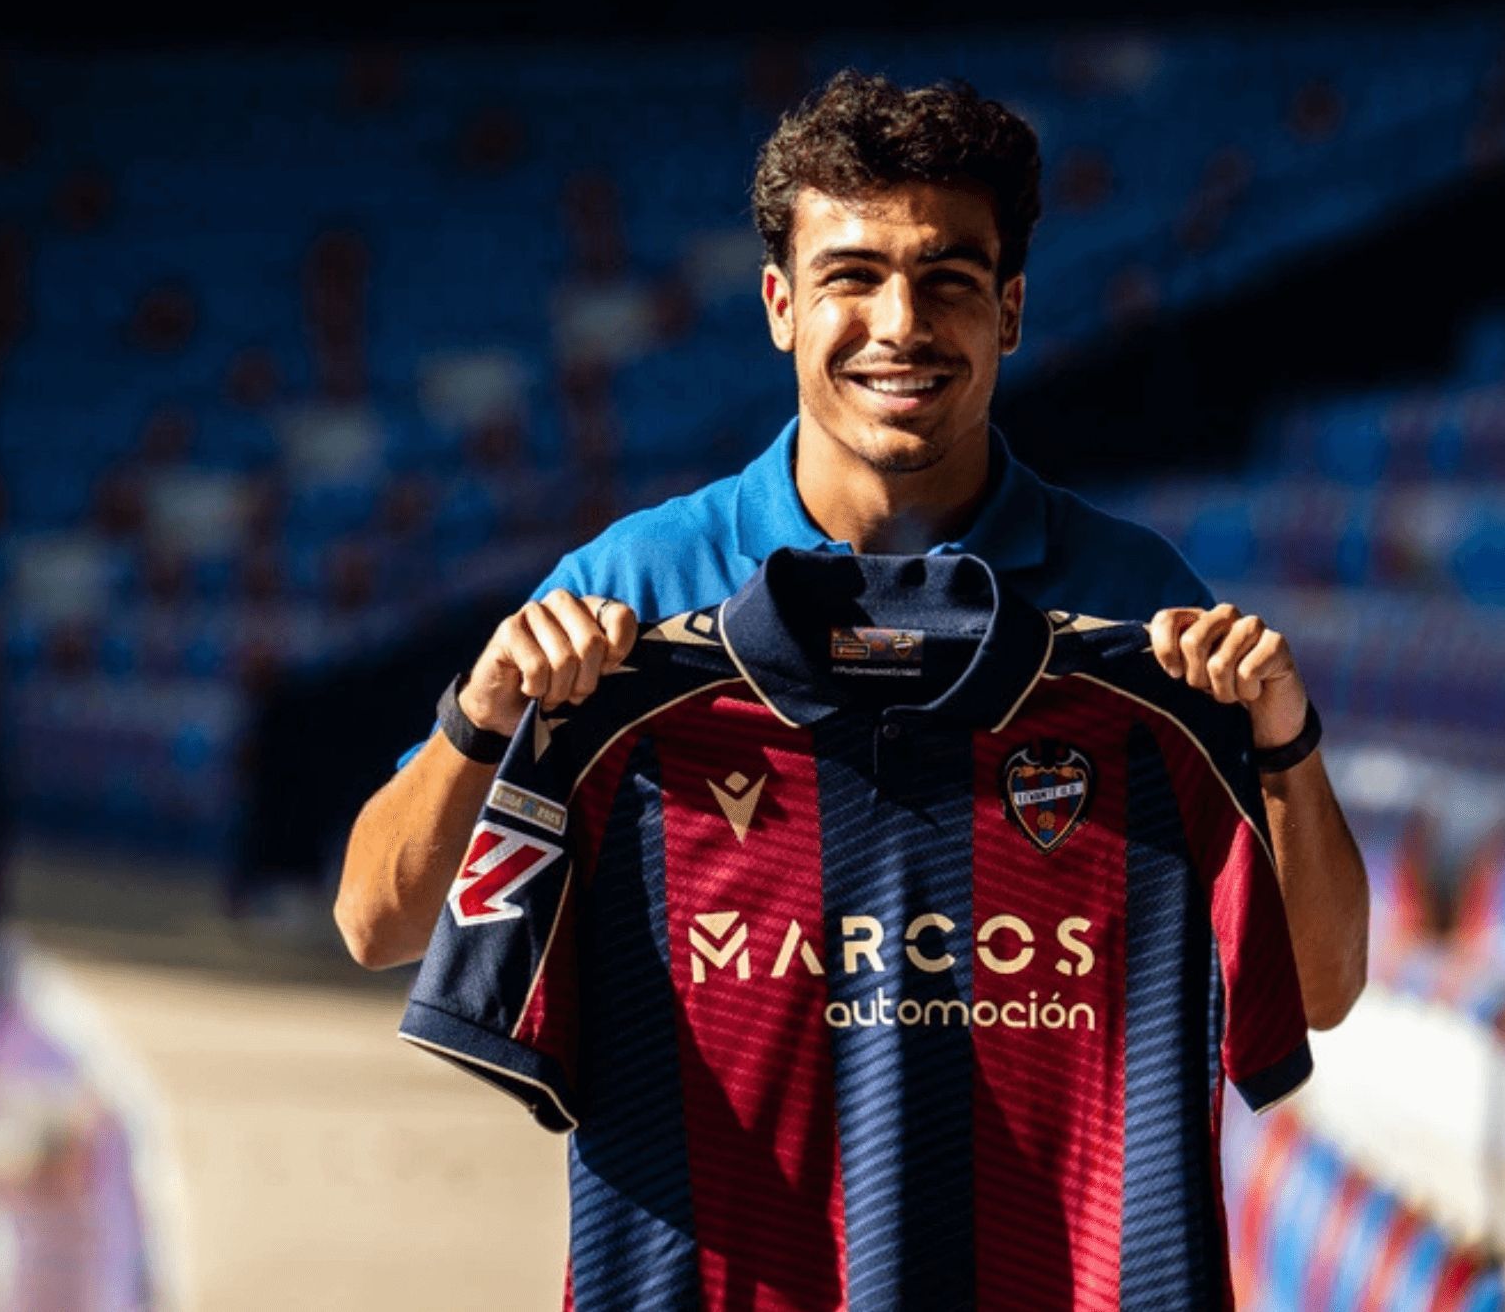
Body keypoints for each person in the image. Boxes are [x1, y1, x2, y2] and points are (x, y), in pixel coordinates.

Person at [334, 69, 1368, 1033]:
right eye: (851, 277)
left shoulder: (1135, 608)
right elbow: (379, 923)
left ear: (1007, 313)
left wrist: (1283, 742)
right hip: (717, 1231)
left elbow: (1317, 992)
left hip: (1026, 1231)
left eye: (949, 281)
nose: (900, 325)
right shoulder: (633, 590)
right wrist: (485, 713)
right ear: (781, 307)